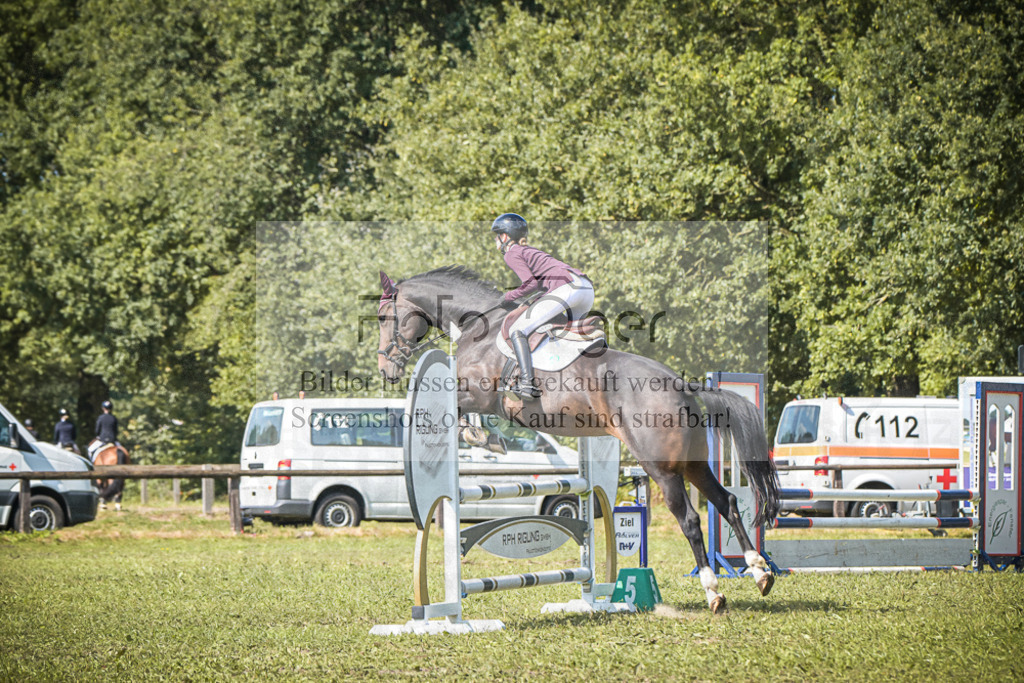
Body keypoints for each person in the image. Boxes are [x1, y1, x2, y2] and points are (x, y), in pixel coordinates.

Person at [491, 213, 594, 400]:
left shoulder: (512, 253)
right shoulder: (528, 250)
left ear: (504, 236)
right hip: (585, 287)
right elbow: (538, 285)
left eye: (496, 236)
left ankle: (527, 383)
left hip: (567, 288)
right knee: (573, 337)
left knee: (517, 330)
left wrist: (507, 297)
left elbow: (530, 284)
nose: (495, 241)